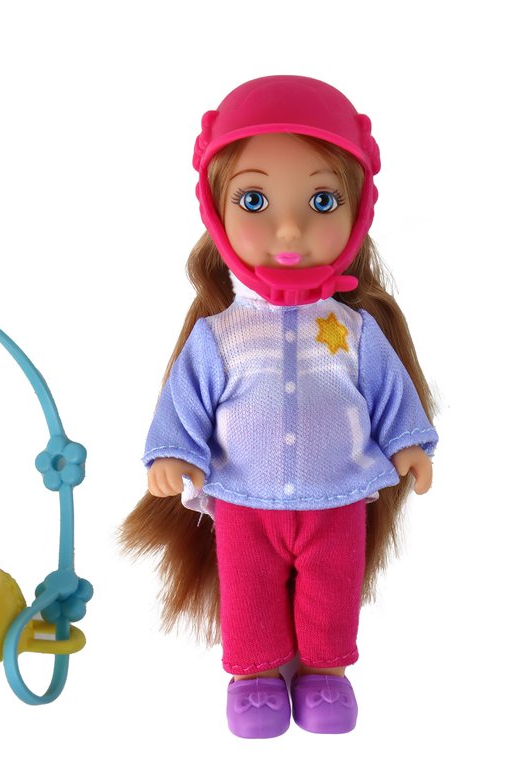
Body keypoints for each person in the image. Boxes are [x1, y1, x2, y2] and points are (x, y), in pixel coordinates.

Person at [121, 75, 437, 739]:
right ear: (216, 212)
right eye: (254, 200)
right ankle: (256, 677)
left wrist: (408, 442)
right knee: (248, 590)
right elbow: (186, 398)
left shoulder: (352, 330)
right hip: (244, 497)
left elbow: (388, 390)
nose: (290, 228)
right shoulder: (220, 333)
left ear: (358, 212)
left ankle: (326, 672)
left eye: (323, 201)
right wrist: (172, 453)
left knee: (333, 589)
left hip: (337, 495)